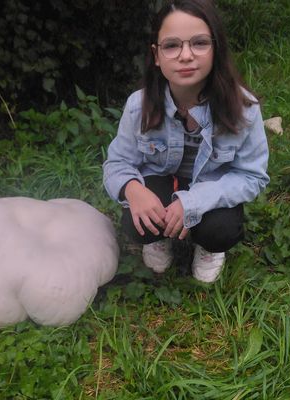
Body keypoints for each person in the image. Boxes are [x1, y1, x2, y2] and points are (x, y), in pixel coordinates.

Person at [102, 0, 269, 283]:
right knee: (137, 222)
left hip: (212, 186)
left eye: (199, 43)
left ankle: (208, 247)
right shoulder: (137, 106)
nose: (186, 55)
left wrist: (193, 201)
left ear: (216, 49)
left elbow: (252, 176)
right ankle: (159, 237)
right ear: (156, 55)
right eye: (172, 46)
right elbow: (117, 162)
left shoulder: (244, 109)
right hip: (162, 179)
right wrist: (132, 189)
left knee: (220, 230)